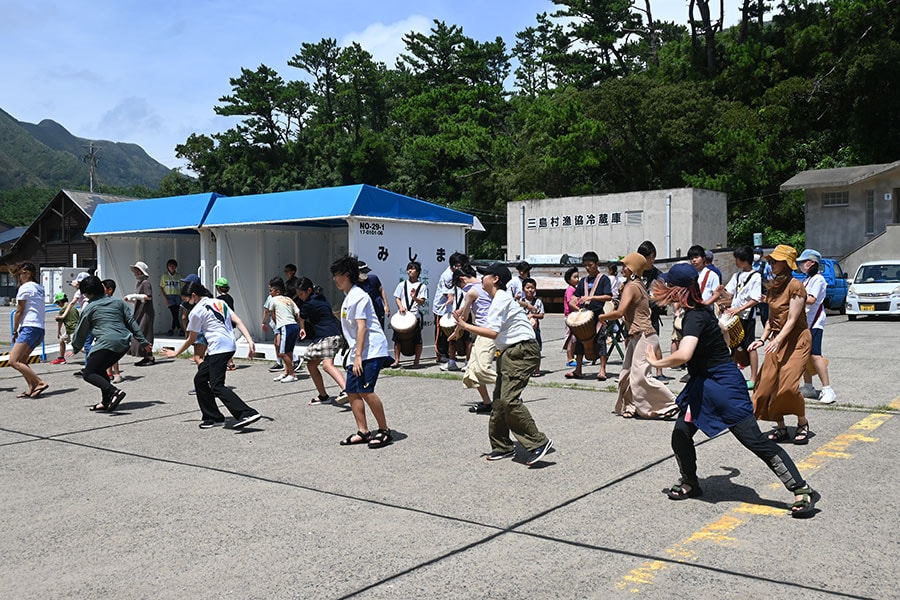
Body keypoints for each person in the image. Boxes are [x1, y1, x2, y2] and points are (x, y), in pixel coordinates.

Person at [644, 262, 820, 518]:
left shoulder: (694, 316)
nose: (665, 288)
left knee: (754, 441)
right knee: (681, 433)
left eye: (670, 285)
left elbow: (684, 354)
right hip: (703, 385)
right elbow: (724, 340)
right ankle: (691, 482)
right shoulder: (699, 311)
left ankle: (802, 489)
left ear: (679, 290)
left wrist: (656, 362)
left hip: (724, 387)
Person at [453, 263, 553, 466]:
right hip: (510, 351)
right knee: (498, 401)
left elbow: (492, 333)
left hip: (523, 350)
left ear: (495, 279)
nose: (482, 279)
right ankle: (502, 445)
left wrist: (464, 326)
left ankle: (537, 442)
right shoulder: (497, 299)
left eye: (485, 276)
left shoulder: (500, 298)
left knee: (509, 400)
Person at [161, 281, 261, 430]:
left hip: (218, 349)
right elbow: (238, 320)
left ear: (193, 296)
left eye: (186, 300)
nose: (186, 303)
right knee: (200, 379)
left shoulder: (196, 311)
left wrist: (176, 352)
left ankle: (246, 412)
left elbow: (191, 338)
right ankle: (213, 417)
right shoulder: (220, 303)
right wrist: (249, 340)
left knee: (217, 386)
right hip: (228, 346)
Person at [598, 253, 678, 419]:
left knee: (640, 376)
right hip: (637, 335)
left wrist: (601, 317)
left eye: (625, 266)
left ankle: (672, 403)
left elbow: (620, 312)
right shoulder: (637, 284)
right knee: (626, 375)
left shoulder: (632, 286)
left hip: (645, 335)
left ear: (633, 268)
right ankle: (631, 405)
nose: (622, 269)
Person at [749, 245, 812, 445]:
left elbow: (792, 319)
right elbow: (772, 318)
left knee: (787, 387)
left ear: (786, 264)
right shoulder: (774, 286)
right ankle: (781, 427)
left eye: (775, 261)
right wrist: (762, 338)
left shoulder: (796, 286)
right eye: (770, 261)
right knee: (765, 386)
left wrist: (777, 340)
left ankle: (802, 422)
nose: (771, 264)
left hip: (796, 340)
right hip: (776, 340)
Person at [331, 255, 393, 448]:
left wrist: (358, 356)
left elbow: (362, 327)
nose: (335, 279)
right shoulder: (349, 296)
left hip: (370, 350)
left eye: (337, 275)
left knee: (366, 390)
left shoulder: (359, 296)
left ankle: (384, 430)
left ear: (348, 275)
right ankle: (363, 431)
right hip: (358, 350)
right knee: (351, 390)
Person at [71, 276, 151, 412]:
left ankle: (113, 391)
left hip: (107, 342)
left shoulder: (89, 307)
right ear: (102, 288)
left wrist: (75, 347)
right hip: (124, 343)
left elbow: (81, 330)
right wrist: (143, 341)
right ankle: (106, 401)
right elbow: (131, 322)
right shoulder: (118, 302)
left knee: (89, 373)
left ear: (88, 294)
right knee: (100, 369)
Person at [295, 277, 349, 405]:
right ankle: (323, 396)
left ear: (309, 290)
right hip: (331, 335)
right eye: (298, 295)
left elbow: (300, 316)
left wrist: (302, 328)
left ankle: (347, 389)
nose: (300, 297)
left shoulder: (309, 304)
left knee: (327, 365)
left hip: (328, 336)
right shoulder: (320, 297)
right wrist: (302, 329)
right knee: (311, 365)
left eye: (301, 294)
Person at [451, 264, 496, 414]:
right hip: (485, 332)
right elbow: (466, 311)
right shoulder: (486, 286)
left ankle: (509, 394)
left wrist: (456, 333)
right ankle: (487, 402)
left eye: (459, 285)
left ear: (462, 279)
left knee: (482, 369)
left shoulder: (471, 291)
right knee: (472, 370)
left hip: (487, 332)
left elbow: (463, 318)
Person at [796, 249, 837, 405]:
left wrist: (793, 296)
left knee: (815, 355)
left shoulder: (818, 279)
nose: (800, 265)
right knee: (805, 355)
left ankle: (827, 389)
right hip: (806, 321)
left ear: (811, 263)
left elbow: (811, 299)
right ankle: (808, 386)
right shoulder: (807, 279)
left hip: (815, 322)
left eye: (803, 262)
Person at [718, 246, 762, 381]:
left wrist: (739, 309)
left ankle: (753, 378)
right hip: (735, 316)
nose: (736, 262)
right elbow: (730, 294)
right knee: (733, 345)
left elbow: (756, 299)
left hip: (747, 316)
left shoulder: (756, 276)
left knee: (750, 345)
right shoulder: (736, 276)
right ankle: (733, 375)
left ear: (744, 260)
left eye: (737, 259)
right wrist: (721, 292)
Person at [566, 251, 612, 381]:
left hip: (598, 315)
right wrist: (574, 300)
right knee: (579, 341)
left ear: (596, 264)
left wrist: (592, 297)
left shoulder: (603, 279)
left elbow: (608, 296)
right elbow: (576, 295)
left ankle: (602, 370)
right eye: (585, 265)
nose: (587, 267)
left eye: (590, 264)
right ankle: (578, 369)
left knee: (601, 341)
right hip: (585, 314)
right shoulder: (584, 281)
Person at [9, 262, 49, 398]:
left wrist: (15, 330)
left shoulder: (25, 288)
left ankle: (40, 382)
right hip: (39, 328)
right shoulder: (39, 288)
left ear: (28, 273)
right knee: (23, 361)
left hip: (29, 327)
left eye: (21, 274)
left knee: (13, 361)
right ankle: (32, 387)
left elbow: (19, 311)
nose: (19, 278)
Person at [432, 252, 468, 369]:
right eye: (456, 265)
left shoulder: (461, 274)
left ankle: (450, 355)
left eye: (460, 265)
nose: (458, 268)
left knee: (453, 334)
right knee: (441, 333)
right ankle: (440, 354)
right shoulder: (448, 275)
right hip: (442, 308)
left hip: (453, 308)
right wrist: (450, 300)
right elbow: (449, 294)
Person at [638, 240, 667, 379]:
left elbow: (660, 297)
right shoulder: (636, 273)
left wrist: (651, 302)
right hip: (637, 314)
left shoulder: (658, 275)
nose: (651, 260)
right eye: (648, 257)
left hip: (652, 313)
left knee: (654, 342)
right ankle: (637, 371)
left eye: (652, 257)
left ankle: (659, 372)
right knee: (633, 342)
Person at [390, 261, 428, 367]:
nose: (410, 270)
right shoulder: (402, 284)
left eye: (413, 268)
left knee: (417, 340)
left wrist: (414, 297)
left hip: (415, 315)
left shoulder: (422, 286)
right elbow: (397, 298)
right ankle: (397, 360)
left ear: (418, 272)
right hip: (402, 316)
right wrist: (401, 307)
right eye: (408, 268)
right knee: (397, 339)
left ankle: (416, 361)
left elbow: (422, 301)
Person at [267, 276, 302, 383]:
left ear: (277, 291)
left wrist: (279, 325)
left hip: (285, 326)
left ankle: (292, 374)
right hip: (294, 325)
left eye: (271, 291)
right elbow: (298, 313)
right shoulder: (289, 299)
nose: (270, 293)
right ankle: (286, 372)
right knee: (289, 351)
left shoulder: (273, 300)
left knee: (282, 352)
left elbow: (273, 315)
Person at [125, 260, 155, 366]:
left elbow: (148, 297)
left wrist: (134, 296)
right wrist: (132, 299)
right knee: (140, 333)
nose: (136, 273)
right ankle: (145, 355)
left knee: (145, 333)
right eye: (136, 270)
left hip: (146, 312)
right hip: (140, 311)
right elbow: (142, 299)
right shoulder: (139, 283)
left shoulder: (145, 283)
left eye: (138, 270)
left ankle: (149, 356)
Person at [518, 277, 544, 376]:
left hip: (535, 329)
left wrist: (533, 315)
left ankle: (537, 369)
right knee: (523, 350)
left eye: (532, 288)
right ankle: (525, 369)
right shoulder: (520, 302)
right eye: (528, 287)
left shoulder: (538, 302)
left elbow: (541, 315)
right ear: (523, 289)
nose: (530, 290)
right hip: (522, 330)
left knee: (537, 349)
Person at [101, 279, 124, 384]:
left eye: (103, 288)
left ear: (109, 290)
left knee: (113, 353)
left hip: (113, 330)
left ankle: (117, 373)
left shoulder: (115, 302)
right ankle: (108, 372)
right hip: (104, 330)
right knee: (106, 353)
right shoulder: (101, 301)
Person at [357, 261, 390, 329]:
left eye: (366, 272)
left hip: (378, 310)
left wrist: (386, 305)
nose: (365, 274)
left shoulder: (373, 278)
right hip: (363, 314)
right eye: (363, 272)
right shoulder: (354, 285)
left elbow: (381, 290)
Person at [215, 277, 237, 371]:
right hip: (231, 322)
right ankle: (230, 362)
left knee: (224, 344)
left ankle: (228, 363)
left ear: (218, 288)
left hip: (223, 323)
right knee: (229, 342)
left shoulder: (218, 299)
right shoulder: (230, 298)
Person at [51, 292, 78, 365]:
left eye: (57, 303)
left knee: (78, 346)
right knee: (62, 340)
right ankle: (61, 358)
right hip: (75, 328)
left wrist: (58, 331)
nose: (58, 305)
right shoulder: (74, 307)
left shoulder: (63, 309)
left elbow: (60, 321)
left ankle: (94, 354)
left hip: (72, 329)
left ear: (60, 301)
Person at [562, 267, 580, 367]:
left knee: (575, 338)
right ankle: (569, 358)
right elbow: (570, 304)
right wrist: (579, 310)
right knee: (570, 338)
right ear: (569, 279)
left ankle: (574, 356)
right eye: (575, 277)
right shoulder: (570, 290)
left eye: (578, 277)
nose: (577, 279)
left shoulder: (575, 289)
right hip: (570, 317)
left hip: (574, 316)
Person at [752, 246, 774, 327]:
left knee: (764, 313)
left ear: (761, 255)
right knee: (751, 313)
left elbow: (770, 277)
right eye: (755, 253)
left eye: (758, 253)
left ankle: (767, 330)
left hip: (762, 290)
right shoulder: (750, 265)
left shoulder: (766, 265)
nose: (756, 255)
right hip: (753, 290)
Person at [160, 259, 182, 336]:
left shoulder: (179, 276)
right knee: (174, 313)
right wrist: (165, 298)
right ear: (167, 267)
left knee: (176, 313)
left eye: (173, 266)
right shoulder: (164, 276)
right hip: (169, 296)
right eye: (170, 266)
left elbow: (181, 287)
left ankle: (172, 329)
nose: (172, 267)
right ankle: (178, 329)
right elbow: (161, 287)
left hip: (177, 296)